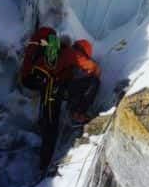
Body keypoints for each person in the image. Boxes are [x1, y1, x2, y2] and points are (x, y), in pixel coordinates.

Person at [18, 26, 101, 168]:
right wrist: (95, 74)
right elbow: (92, 67)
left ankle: (42, 137)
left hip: (41, 80)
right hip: (51, 84)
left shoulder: (58, 54)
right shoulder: (72, 53)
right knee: (52, 126)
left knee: (49, 118)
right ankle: (44, 166)